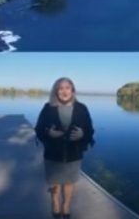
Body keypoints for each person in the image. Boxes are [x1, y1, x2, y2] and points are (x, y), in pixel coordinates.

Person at [35, 77, 95, 219]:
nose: (64, 91)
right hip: (52, 152)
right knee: (54, 181)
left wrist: (82, 134)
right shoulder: (48, 108)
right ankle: (56, 203)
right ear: (56, 91)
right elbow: (38, 129)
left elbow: (90, 130)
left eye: (67, 88)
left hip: (74, 153)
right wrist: (48, 133)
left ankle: (66, 205)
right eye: (60, 88)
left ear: (72, 90)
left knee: (69, 181)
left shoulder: (82, 108)